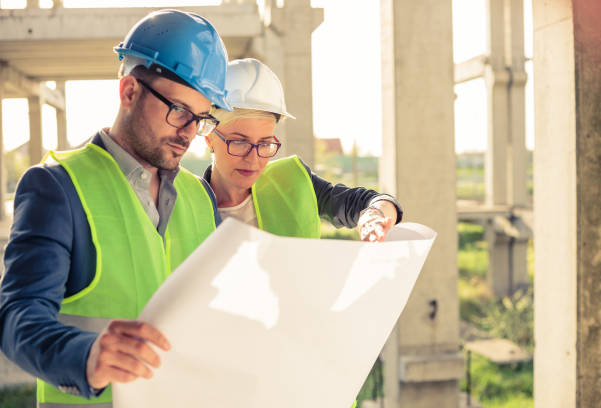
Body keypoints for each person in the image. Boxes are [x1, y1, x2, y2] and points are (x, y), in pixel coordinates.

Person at [0, 9, 231, 407]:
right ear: (129, 91)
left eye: (201, 118)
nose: (189, 133)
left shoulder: (200, 196)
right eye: (179, 111)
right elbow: (17, 318)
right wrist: (88, 356)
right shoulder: (57, 187)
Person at [203, 58, 403, 241]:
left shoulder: (293, 184)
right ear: (209, 138)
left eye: (264, 144)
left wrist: (374, 215)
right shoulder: (183, 201)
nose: (253, 159)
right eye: (240, 143)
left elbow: (371, 201)